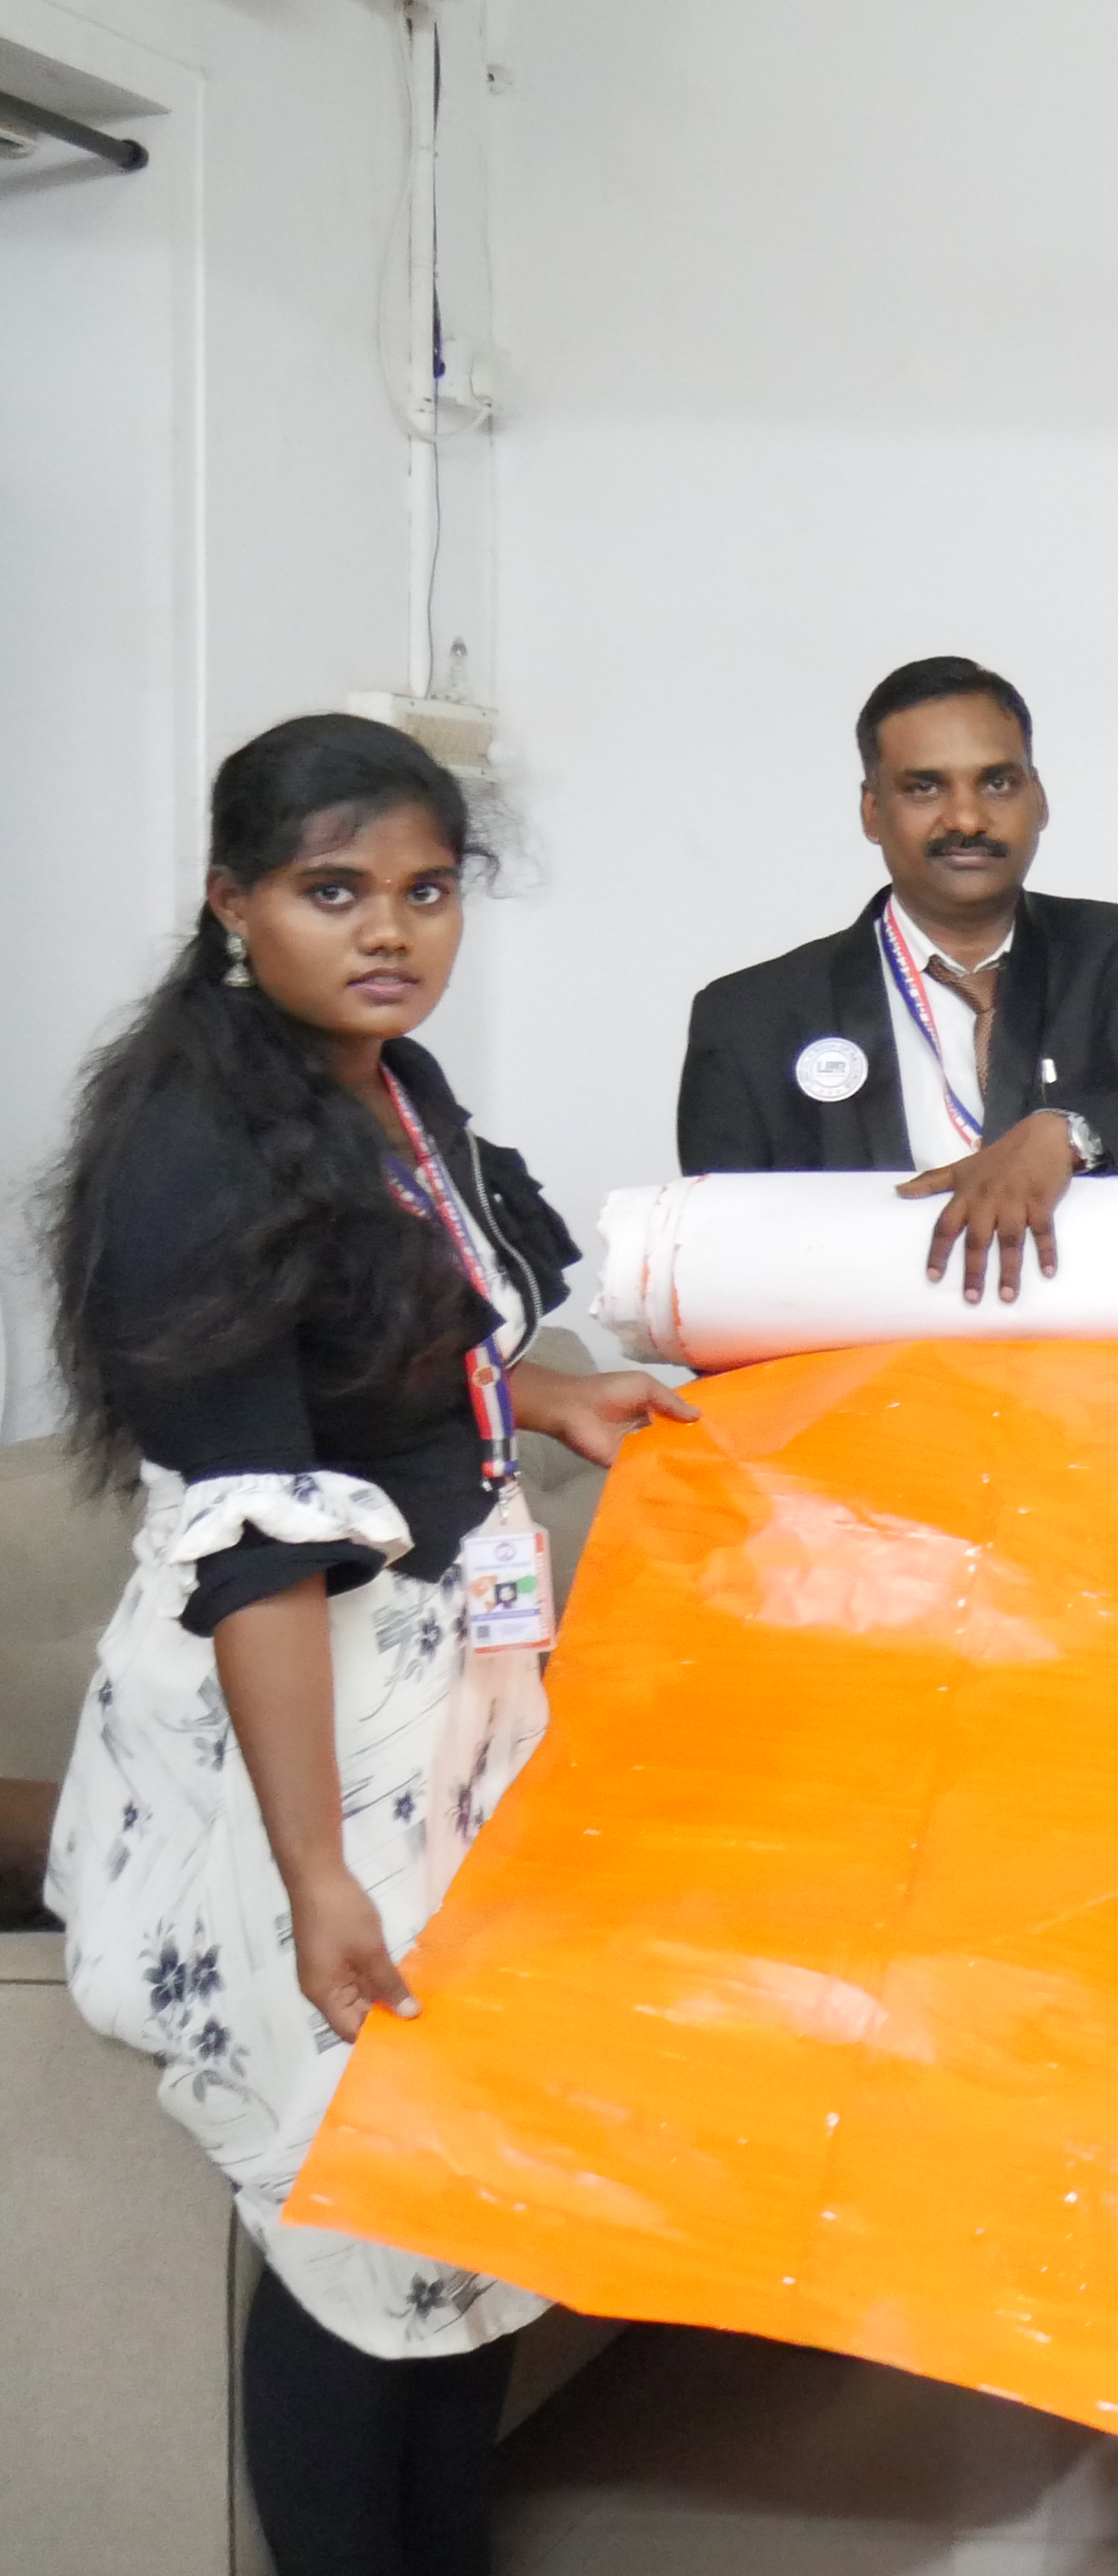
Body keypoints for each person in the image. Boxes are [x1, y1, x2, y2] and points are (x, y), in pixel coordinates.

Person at [39, 715, 688, 2576]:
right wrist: (319, 1865)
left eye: (424, 888)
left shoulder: (380, 1086)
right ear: (234, 900)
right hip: (293, 1706)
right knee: (354, 2203)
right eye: (335, 890)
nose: (389, 929)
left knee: (460, 2176)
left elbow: (420, 1341)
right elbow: (255, 1549)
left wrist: (552, 1400)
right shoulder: (199, 1144)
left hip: (437, 1685)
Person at [678, 655, 1118, 1294]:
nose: (966, 820)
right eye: (925, 787)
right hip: (858, 1367)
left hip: (1085, 1361)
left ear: (1039, 799)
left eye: (997, 783)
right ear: (872, 811)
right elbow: (720, 1262)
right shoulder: (750, 1018)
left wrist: (1066, 1134)